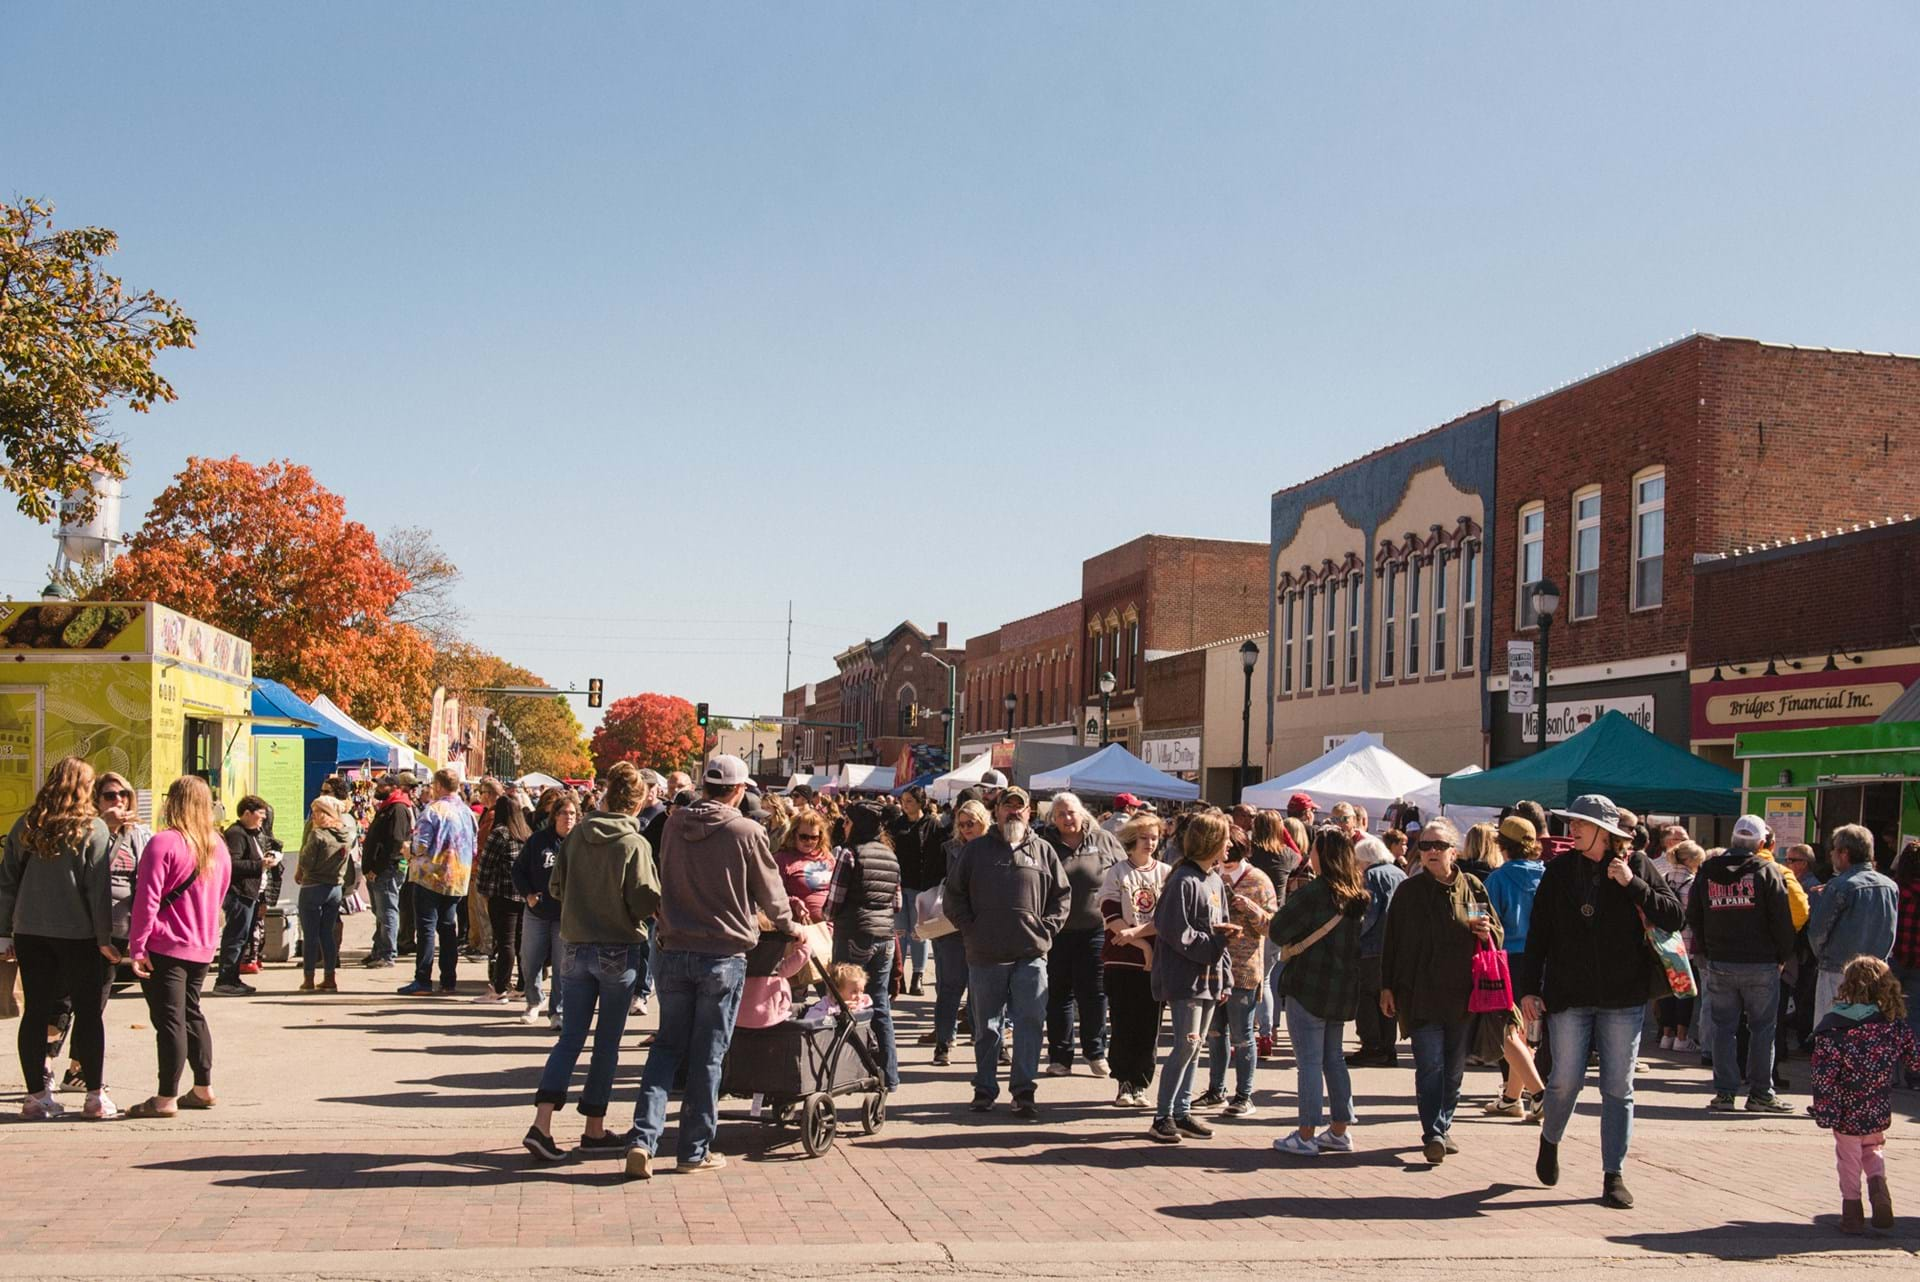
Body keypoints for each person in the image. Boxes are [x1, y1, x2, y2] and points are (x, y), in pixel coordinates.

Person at [626, 755, 794, 1179]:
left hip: (674, 947)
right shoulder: (746, 830)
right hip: (721, 955)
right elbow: (772, 895)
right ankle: (693, 1150)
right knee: (707, 1056)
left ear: (706, 787)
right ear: (738, 791)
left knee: (666, 1048)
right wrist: (792, 927)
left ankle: (643, 1139)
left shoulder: (674, 825)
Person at [1524, 794, 1684, 1210]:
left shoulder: (1638, 865)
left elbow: (1674, 915)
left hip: (1623, 997)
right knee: (1564, 1082)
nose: (1573, 829)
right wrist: (1528, 988)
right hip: (1568, 994)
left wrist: (1632, 884)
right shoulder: (1558, 871)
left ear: (1606, 831)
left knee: (1618, 1087)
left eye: (1581, 823)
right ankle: (1550, 1138)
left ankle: (1613, 1175)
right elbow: (1538, 933)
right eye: (1571, 822)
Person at [522, 762, 660, 1163]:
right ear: (635, 804)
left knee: (570, 1038)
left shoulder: (579, 835)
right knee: (606, 1043)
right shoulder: (634, 844)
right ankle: (594, 1127)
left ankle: (542, 1123)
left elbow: (555, 886)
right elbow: (644, 900)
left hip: (576, 944)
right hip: (617, 946)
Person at [0, 758, 116, 1120]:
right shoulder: (93, 829)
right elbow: (98, 889)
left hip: (31, 931)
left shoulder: (27, 825)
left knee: (35, 1011)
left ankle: (36, 1095)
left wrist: (4, 931)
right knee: (88, 1012)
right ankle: (94, 1094)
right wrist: (105, 938)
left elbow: (7, 882)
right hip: (79, 933)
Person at [944, 786, 1069, 1120]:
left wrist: (1048, 929)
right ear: (996, 811)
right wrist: (970, 928)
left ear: (1029, 812)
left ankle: (1024, 1090)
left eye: (1020, 808)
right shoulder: (976, 851)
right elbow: (953, 895)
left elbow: (1061, 897)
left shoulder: (1043, 851)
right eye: (1007, 807)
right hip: (985, 954)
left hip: (1031, 952)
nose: (1013, 812)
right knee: (986, 1026)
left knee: (1030, 1022)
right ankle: (984, 1088)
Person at [1381, 815, 1499, 1166]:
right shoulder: (1408, 891)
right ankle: (1432, 1132)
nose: (1431, 851)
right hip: (1419, 995)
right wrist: (1386, 987)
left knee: (1453, 1069)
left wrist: (1485, 932)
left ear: (1454, 851)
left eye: (1439, 845)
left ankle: (1443, 1125)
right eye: (1426, 846)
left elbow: (1495, 935)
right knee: (1429, 1066)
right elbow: (1392, 943)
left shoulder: (1473, 887)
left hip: (1463, 996)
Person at [124, 775, 233, 1119]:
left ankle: (165, 1096)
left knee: (169, 1020)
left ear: (172, 801)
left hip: (165, 942)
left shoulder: (164, 843)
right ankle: (203, 1086)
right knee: (191, 1013)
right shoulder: (218, 845)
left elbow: (147, 899)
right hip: (201, 943)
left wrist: (137, 946)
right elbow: (220, 895)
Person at [1688, 813, 1799, 1114]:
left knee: (1723, 1028)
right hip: (1761, 963)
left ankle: (1725, 1093)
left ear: (1733, 840)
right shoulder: (1767, 870)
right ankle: (1761, 1093)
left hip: (1721, 960)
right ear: (1762, 842)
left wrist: (1709, 949)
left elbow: (1694, 915)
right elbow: (1781, 918)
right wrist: (1781, 955)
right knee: (1763, 1029)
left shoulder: (1707, 870)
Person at [1269, 826, 1369, 1156]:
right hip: (1341, 989)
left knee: (1309, 1062)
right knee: (1333, 1059)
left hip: (1309, 985)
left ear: (1322, 855)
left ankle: (1307, 1133)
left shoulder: (1315, 892)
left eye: (1313, 848)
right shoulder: (1357, 895)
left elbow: (1279, 931)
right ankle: (1339, 1129)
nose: (1309, 853)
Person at [1145, 811, 1238, 1144]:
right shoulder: (1182, 880)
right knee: (1186, 1046)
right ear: (1211, 841)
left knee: (1196, 1049)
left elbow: (1221, 928)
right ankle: (1162, 1116)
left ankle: (1182, 1111)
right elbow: (1175, 931)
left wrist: (1225, 976)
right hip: (1185, 977)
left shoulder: (1214, 879)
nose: (1230, 844)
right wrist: (1213, 946)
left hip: (1210, 978)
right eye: (1225, 838)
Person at [1811, 955, 1920, 1233]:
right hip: (1879, 1107)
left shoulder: (1834, 1026)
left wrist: (1825, 1110)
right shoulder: (1892, 1025)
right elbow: (1915, 1059)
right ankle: (1880, 1192)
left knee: (1848, 1160)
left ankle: (1852, 1214)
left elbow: (1823, 1075)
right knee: (1873, 1150)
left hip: (1847, 1109)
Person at [1196, 819, 1276, 1116]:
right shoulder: (1211, 875)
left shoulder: (1259, 880)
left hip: (1243, 969)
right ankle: (1216, 1090)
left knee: (1243, 1036)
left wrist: (1252, 909)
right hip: (1214, 967)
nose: (1224, 861)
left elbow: (1272, 926)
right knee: (1215, 1034)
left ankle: (1245, 1095)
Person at [1041, 792, 1123, 1079]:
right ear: (1053, 818)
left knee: (1094, 994)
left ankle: (1095, 1052)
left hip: (1095, 931)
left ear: (1082, 813)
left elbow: (1124, 875)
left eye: (1071, 812)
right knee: (1059, 994)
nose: (1067, 818)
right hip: (1056, 931)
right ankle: (1060, 1056)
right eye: (1061, 814)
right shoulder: (1045, 843)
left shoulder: (1103, 840)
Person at [824, 802, 903, 1093]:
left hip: (854, 933)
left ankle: (842, 1072)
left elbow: (833, 904)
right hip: (884, 937)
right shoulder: (890, 855)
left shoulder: (849, 853)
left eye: (847, 822)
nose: (843, 826)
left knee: (842, 1003)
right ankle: (889, 1075)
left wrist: (824, 916)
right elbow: (897, 903)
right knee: (879, 1005)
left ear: (857, 825)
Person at [1482, 815, 1550, 1119]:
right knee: (1527, 1032)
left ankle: (1538, 1093)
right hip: (1543, 960)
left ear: (1502, 845)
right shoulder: (1547, 875)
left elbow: (1484, 923)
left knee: (1504, 1031)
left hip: (1506, 959)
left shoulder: (1496, 879)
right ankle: (1511, 1098)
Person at [1100, 811, 1169, 1107]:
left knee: (1148, 1025)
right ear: (1131, 839)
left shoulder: (1166, 873)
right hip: (1122, 960)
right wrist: (1140, 943)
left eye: (1154, 837)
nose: (1150, 843)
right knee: (1122, 1020)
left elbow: (1166, 918)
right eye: (1144, 838)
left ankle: (1141, 1083)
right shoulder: (1117, 872)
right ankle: (1124, 1082)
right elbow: (1111, 914)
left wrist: (1139, 936)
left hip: (1153, 964)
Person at [1807, 825, 1899, 1026]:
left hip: (1837, 970)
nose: (1831, 854)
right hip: (1877, 972)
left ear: (1844, 853)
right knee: (1867, 1035)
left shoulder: (1840, 885)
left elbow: (1817, 932)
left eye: (1834, 850)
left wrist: (1823, 956)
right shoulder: (1889, 886)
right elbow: (1892, 930)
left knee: (1832, 1033)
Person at [398, 769, 479, 996]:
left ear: (439, 785)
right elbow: (472, 847)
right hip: (456, 877)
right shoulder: (467, 812)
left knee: (425, 929)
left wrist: (408, 850)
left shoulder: (433, 810)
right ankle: (448, 980)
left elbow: (421, 844)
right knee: (448, 928)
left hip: (430, 877)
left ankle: (423, 979)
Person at [924, 798, 987, 1065]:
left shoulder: (996, 849)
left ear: (983, 822)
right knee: (950, 986)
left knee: (984, 988)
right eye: (961, 825)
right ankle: (944, 1042)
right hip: (951, 926)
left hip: (985, 926)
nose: (965, 829)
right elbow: (932, 884)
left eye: (971, 824)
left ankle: (986, 1040)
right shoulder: (947, 849)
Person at [513, 791, 576, 1028]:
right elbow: (518, 870)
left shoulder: (580, 842)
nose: (568, 818)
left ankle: (557, 1011)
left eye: (572, 813)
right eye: (563, 813)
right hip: (537, 911)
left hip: (566, 915)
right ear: (554, 815)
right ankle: (533, 1002)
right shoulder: (539, 840)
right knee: (530, 960)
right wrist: (528, 895)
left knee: (562, 965)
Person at [1345, 833, 1405, 1068]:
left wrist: (1353, 936)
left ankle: (1372, 1045)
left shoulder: (1371, 876)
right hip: (1395, 947)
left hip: (1371, 947)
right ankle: (1387, 1047)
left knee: (1367, 997)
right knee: (1387, 997)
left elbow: (1369, 914)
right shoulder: (1399, 873)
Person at [211, 796, 273, 997]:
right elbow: (232, 864)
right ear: (247, 813)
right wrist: (259, 864)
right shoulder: (236, 834)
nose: (263, 818)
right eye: (260, 814)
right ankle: (225, 980)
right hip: (239, 893)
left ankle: (233, 977)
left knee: (243, 937)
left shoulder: (253, 833)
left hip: (251, 894)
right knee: (235, 937)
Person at [475, 792, 532, 1005]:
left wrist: (482, 891)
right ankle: (523, 985)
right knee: (520, 942)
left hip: (502, 893)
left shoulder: (499, 833)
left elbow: (486, 865)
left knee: (505, 942)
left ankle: (500, 988)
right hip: (522, 895)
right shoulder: (526, 833)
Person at [294, 796, 350, 993]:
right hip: (334, 887)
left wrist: (301, 864)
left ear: (325, 813)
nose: (313, 815)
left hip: (313, 887)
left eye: (317, 811)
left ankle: (308, 978)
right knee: (327, 934)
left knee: (310, 935)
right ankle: (330, 978)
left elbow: (307, 862)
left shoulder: (317, 835)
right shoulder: (345, 834)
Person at [360, 774, 416, 968]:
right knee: (379, 911)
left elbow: (395, 843)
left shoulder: (398, 808)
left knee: (387, 910)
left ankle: (387, 953)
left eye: (381, 786)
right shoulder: (388, 806)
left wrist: (377, 868)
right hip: (377, 869)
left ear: (393, 787)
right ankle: (379, 949)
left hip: (388, 869)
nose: (377, 789)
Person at [1656, 840, 1706, 1051]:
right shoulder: (1694, 884)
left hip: (1665, 944)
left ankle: (1666, 1034)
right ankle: (1682, 1037)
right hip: (1686, 946)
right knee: (1686, 992)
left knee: (1667, 991)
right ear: (1692, 860)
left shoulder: (1664, 879)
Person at [891, 787, 940, 996]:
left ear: (921, 803)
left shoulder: (932, 825)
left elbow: (938, 855)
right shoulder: (897, 825)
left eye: (909, 801)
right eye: (903, 801)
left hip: (923, 887)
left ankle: (917, 976)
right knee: (900, 931)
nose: (905, 804)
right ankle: (899, 975)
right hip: (900, 885)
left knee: (919, 933)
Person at [1892, 840, 1920, 1088]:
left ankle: (1888, 1072)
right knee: (1916, 1018)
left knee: (1887, 1014)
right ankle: (1915, 1072)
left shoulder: (1898, 891)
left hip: (1895, 958)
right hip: (1919, 963)